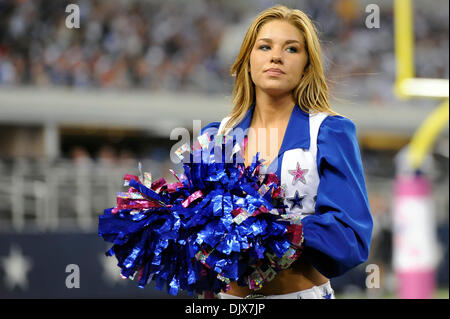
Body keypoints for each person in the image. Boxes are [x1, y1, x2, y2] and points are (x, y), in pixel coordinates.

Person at [200, 5, 373, 299]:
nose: (276, 56)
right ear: (248, 60)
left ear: (307, 65)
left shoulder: (329, 133)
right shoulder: (217, 137)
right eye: (264, 46)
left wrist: (277, 228)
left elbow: (351, 236)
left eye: (291, 49)